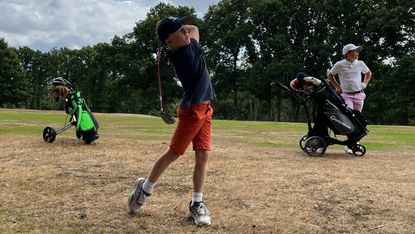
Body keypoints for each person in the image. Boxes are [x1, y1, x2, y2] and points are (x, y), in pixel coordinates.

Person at [127, 16, 215, 226]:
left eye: (183, 29)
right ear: (169, 42)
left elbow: (192, 27)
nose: (185, 32)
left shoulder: (184, 42)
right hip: (192, 111)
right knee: (174, 152)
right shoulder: (184, 55)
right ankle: (145, 189)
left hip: (205, 109)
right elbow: (194, 30)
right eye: (180, 32)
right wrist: (174, 28)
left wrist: (177, 26)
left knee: (203, 155)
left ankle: (197, 203)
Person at [327, 43, 372, 154]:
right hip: (346, 95)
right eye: (354, 51)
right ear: (347, 53)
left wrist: (364, 84)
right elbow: (330, 75)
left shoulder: (360, 63)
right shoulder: (340, 64)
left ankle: (353, 143)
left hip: (359, 95)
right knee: (350, 119)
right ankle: (350, 145)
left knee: (356, 121)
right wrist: (337, 86)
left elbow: (368, 73)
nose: (357, 53)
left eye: (357, 51)